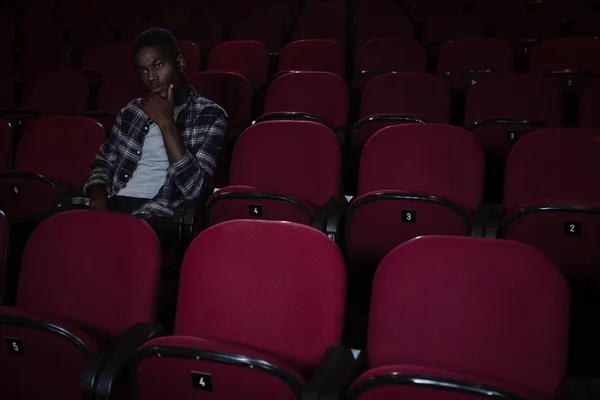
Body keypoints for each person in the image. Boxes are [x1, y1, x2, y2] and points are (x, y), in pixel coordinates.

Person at [5, 27, 227, 304]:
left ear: (179, 63)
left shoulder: (211, 115)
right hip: (112, 200)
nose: (151, 78)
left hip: (159, 211)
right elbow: (103, 162)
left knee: (103, 248)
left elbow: (194, 189)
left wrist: (167, 124)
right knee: (23, 231)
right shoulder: (133, 110)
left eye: (158, 65)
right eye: (143, 71)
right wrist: (98, 198)